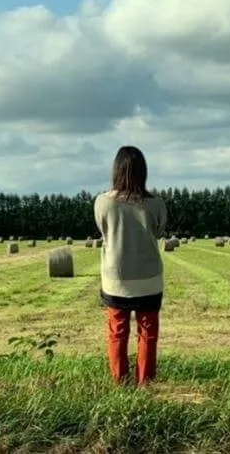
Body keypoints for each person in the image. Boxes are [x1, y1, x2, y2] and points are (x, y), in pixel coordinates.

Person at [93, 145, 167, 386]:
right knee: (148, 333)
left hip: (116, 279)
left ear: (116, 170)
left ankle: (120, 383)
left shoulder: (103, 202)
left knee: (117, 332)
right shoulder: (156, 204)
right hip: (149, 278)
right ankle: (146, 384)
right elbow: (158, 231)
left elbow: (103, 230)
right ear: (143, 171)